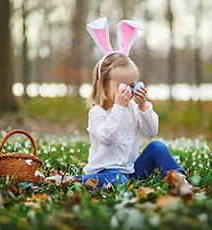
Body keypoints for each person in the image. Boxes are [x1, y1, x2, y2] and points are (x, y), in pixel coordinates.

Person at [69, 17, 191, 188]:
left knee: (157, 146)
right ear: (103, 86)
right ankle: (80, 180)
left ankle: (180, 181)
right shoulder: (97, 113)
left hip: (131, 170)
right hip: (104, 171)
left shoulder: (133, 108)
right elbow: (107, 138)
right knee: (119, 179)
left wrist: (143, 106)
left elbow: (151, 131)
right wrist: (118, 106)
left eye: (132, 85)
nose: (128, 90)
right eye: (121, 85)